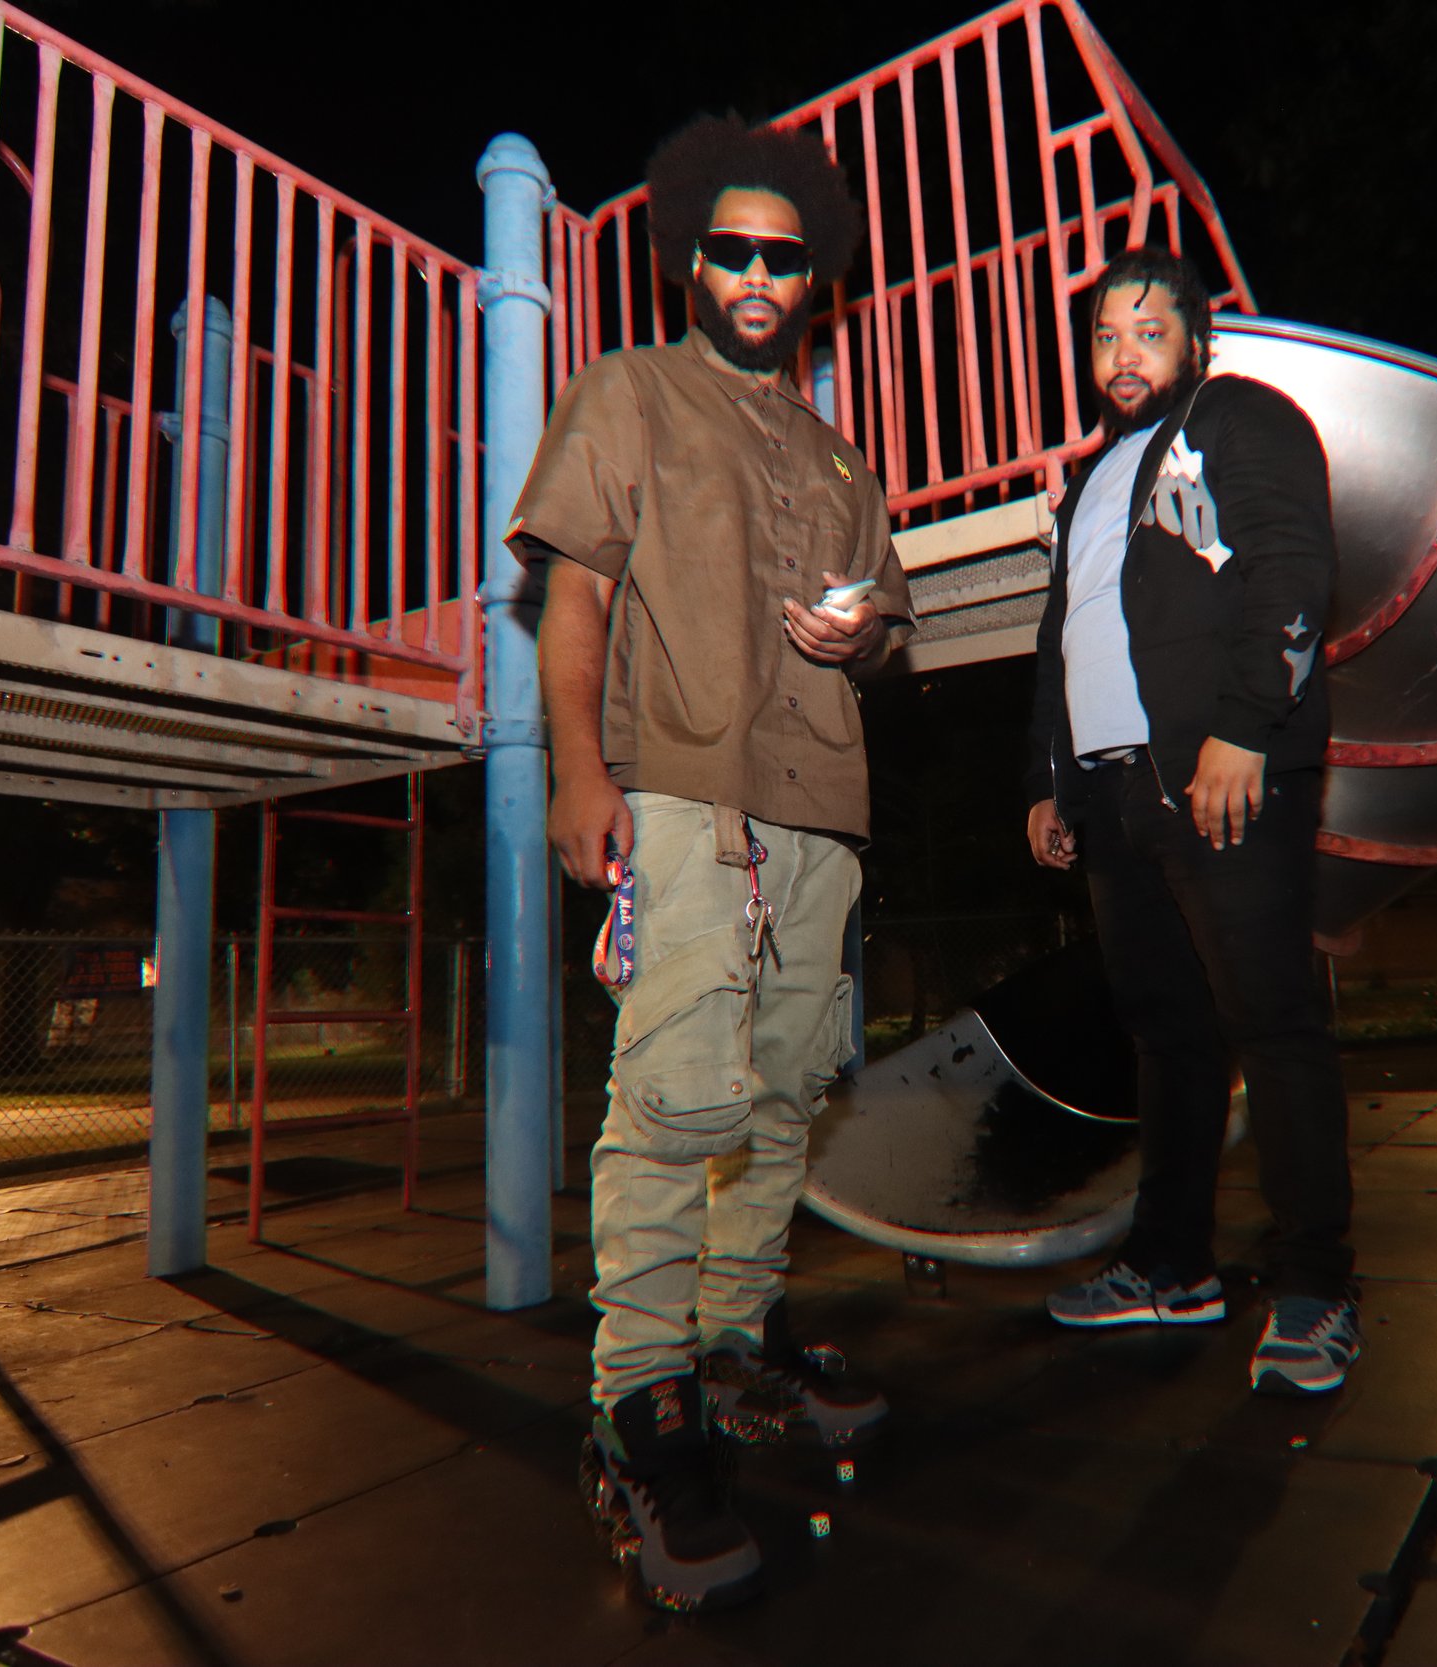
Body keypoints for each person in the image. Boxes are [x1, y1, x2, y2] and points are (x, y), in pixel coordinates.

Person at [507, 113, 913, 1612]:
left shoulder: (839, 456)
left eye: (783, 259)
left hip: (821, 806)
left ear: (813, 284)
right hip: (681, 788)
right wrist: (579, 769)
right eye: (732, 250)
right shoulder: (627, 392)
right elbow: (572, 595)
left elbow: (892, 633)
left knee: (787, 1087)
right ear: (692, 264)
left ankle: (736, 1341)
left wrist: (863, 633)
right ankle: (639, 1399)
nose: (757, 274)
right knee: (678, 1096)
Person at [1023, 247, 1357, 1396]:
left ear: (1195, 341)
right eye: (1104, 336)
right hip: (1118, 791)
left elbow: (1294, 570)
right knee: (1167, 1032)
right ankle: (1171, 1265)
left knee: (1272, 1022)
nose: (1123, 354)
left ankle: (1317, 1286)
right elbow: (1061, 637)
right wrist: (1048, 779)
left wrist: (1247, 728)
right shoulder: (1091, 479)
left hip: (1222, 773)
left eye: (1148, 331)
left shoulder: (1239, 419)